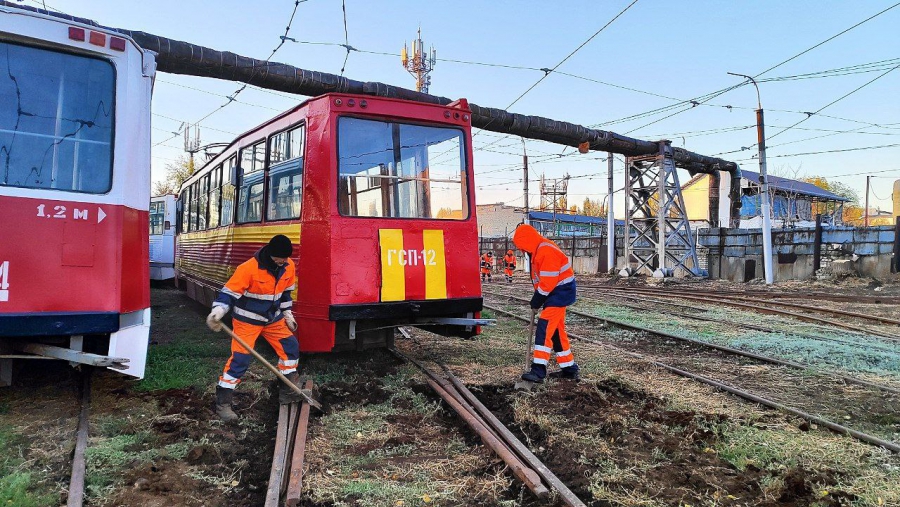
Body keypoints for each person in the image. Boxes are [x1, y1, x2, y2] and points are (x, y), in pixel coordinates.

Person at [206, 234, 300, 422]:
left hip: (272, 319)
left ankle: (288, 391)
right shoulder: (249, 268)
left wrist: (288, 314)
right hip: (247, 321)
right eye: (280, 259)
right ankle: (223, 403)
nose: (283, 262)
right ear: (271, 254)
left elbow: (286, 294)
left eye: (285, 258)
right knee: (240, 359)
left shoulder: (288, 266)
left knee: (290, 348)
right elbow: (229, 294)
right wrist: (218, 311)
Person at [512, 223, 580, 382]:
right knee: (556, 332)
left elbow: (548, 282)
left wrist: (537, 299)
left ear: (526, 242)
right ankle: (569, 368)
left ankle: (538, 371)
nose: (522, 251)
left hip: (560, 293)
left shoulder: (545, 250)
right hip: (555, 293)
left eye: (522, 247)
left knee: (544, 327)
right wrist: (539, 297)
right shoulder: (537, 250)